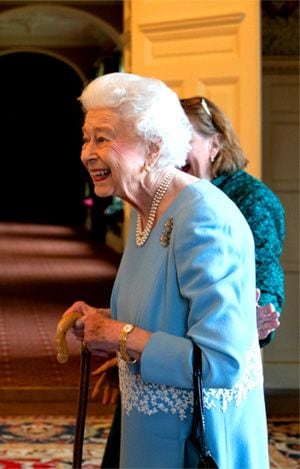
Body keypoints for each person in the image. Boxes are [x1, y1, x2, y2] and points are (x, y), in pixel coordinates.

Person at [56, 72, 268, 467]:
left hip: (198, 441)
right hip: (154, 435)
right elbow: (164, 315)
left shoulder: (202, 218)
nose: (87, 152)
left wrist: (118, 334)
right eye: (86, 138)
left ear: (153, 148)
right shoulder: (144, 211)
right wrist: (100, 321)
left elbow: (220, 363)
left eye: (103, 138)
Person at [180, 95, 285, 345]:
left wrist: (259, 314)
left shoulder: (252, 198)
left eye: (186, 140)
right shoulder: (175, 194)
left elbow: (265, 268)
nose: (175, 152)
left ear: (215, 144)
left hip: (223, 342)